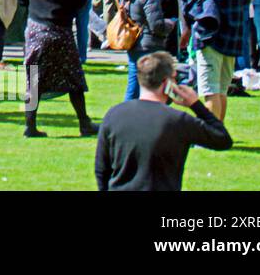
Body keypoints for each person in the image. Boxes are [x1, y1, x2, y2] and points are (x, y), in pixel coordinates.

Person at [95, 51, 233, 191]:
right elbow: (222, 139)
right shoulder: (177, 121)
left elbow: (101, 170)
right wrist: (195, 104)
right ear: (167, 83)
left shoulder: (113, 115)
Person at [17, 0, 98, 138]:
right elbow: (81, 2)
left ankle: (30, 125)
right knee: (74, 80)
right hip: (60, 32)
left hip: (36, 31)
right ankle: (84, 123)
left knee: (33, 80)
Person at [186, 0, 249, 122]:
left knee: (209, 90)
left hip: (212, 39)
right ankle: (219, 132)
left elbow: (192, 2)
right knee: (221, 90)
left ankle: (210, 134)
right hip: (231, 40)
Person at [118, 0, 176, 100]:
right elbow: (156, 25)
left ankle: (126, 115)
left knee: (134, 84)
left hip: (132, 40)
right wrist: (170, 23)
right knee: (149, 85)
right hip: (147, 43)